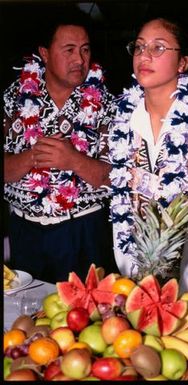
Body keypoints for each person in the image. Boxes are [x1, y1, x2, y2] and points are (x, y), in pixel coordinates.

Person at [109, 17, 188, 305]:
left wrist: (183, 296)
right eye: (139, 47)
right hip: (136, 284)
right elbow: (120, 210)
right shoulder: (124, 123)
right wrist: (133, 278)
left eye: (159, 47)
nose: (144, 55)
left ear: (183, 63)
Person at [3, 9, 117, 283]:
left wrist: (74, 160)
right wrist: (33, 157)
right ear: (44, 52)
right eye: (69, 50)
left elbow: (118, 177)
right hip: (25, 232)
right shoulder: (12, 99)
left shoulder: (109, 104)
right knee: (27, 318)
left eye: (85, 50)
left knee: (88, 319)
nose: (80, 59)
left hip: (85, 232)